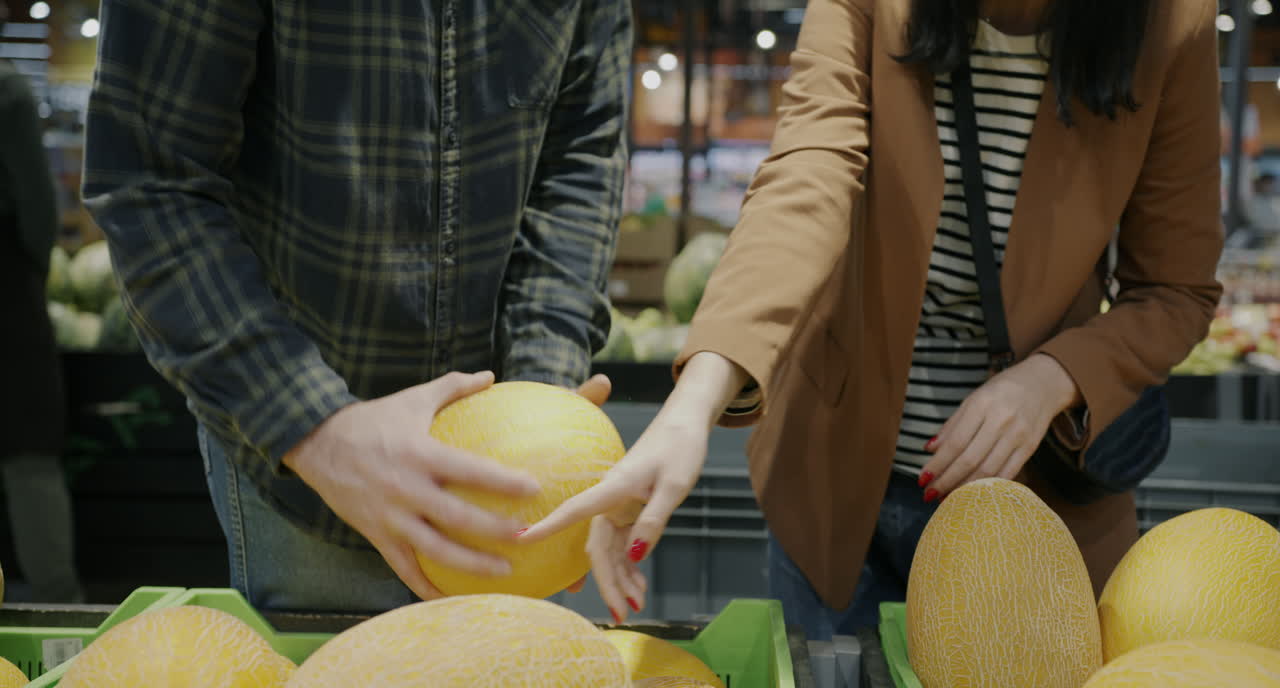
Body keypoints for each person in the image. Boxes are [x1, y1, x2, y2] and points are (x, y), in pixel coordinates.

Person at [523, 0, 1226, 641]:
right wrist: (694, 401)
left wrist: (1052, 378)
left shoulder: (1172, 22)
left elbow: (1174, 289)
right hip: (836, 482)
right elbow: (808, 176)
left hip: (1029, 506)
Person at [81, 0, 632, 613]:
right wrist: (316, 430)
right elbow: (149, 177)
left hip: (509, 484)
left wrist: (542, 400)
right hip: (308, 468)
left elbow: (581, 156)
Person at [0, 5, 87, 604]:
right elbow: (38, 210)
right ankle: (61, 610)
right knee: (29, 455)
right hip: (7, 293)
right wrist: (30, 269)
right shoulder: (6, 90)